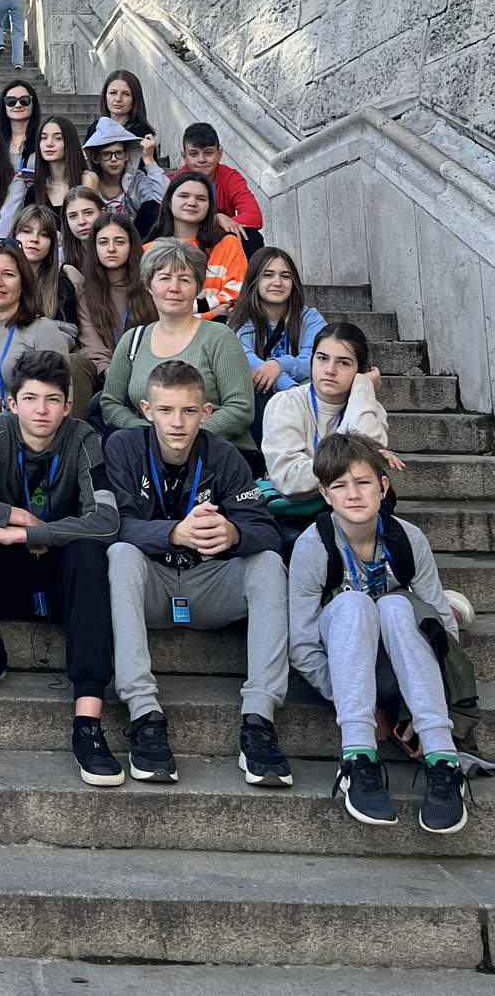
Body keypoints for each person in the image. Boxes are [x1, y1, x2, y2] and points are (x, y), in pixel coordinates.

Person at [0, 350, 123, 787]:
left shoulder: (84, 438)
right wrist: (9, 515)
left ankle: (87, 722)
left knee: (90, 552)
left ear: (67, 405)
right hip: (4, 577)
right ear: (12, 403)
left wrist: (29, 534)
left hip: (60, 576)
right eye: (30, 399)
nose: (41, 410)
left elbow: (107, 521)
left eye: (52, 400)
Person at [105, 359, 291, 788]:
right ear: (147, 410)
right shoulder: (122, 447)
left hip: (208, 583)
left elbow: (267, 531)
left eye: (189, 411)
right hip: (150, 585)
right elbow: (111, 526)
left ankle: (259, 719)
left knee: (267, 563)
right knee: (120, 554)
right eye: (166, 410)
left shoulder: (223, 454)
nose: (178, 422)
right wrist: (173, 532)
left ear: (206, 413)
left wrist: (233, 533)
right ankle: (144, 714)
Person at [288, 433, 469, 833]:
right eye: (340, 486)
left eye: (363, 482)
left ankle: (443, 757)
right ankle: (358, 756)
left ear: (383, 486)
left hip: (405, 672)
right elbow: (301, 646)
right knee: (353, 604)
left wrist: (412, 707)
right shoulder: (314, 546)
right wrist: (362, 705)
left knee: (395, 605)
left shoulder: (408, 538)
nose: (353, 494)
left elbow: (441, 623)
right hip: (347, 675)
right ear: (325, 494)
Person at [101, 240, 254, 443]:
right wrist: (150, 435)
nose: (174, 288)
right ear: (148, 285)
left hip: (215, 450)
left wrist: (181, 436)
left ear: (197, 287)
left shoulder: (219, 337)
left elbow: (241, 408)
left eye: (185, 279)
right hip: (149, 452)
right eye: (164, 278)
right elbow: (110, 403)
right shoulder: (133, 340)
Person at [0, 241, 90, 447]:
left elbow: (58, 401)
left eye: (8, 274)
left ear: (23, 282)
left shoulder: (43, 329)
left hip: (28, 432)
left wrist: (9, 420)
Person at [261, 323, 400, 514]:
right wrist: (350, 462)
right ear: (311, 360)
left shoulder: (368, 407)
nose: (330, 370)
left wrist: (362, 387)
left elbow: (366, 461)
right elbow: (289, 480)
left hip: (351, 506)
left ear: (360, 370)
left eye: (344, 362)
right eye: (322, 358)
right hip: (297, 512)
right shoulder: (286, 403)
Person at [230, 246, 327, 402]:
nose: (278, 282)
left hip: (309, 397)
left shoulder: (310, 318)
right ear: (254, 280)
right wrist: (290, 388)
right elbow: (246, 360)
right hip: (263, 401)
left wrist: (279, 365)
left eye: (286, 276)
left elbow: (316, 360)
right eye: (268, 275)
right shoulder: (241, 319)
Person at [150, 172, 248, 318]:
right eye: (184, 196)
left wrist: (184, 314)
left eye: (201, 198)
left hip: (219, 328)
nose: (192, 203)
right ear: (169, 202)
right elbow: (149, 306)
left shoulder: (228, 244)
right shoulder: (149, 250)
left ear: (210, 206)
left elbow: (234, 296)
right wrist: (212, 312)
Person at [71, 212, 154, 375]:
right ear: (94, 247)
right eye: (103, 242)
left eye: (119, 242)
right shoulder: (86, 295)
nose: (111, 249)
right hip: (105, 375)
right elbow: (93, 347)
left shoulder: (151, 289)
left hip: (148, 374)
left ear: (131, 245)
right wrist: (113, 375)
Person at [175, 123, 264, 256]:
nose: (202, 159)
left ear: (219, 154)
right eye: (194, 154)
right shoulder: (174, 181)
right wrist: (214, 219)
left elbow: (254, 217)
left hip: (218, 236)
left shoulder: (230, 177)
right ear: (184, 157)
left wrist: (219, 221)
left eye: (208, 153)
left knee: (251, 236)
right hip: (184, 237)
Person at [82, 119, 166, 237]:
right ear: (96, 158)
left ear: (127, 155)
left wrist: (149, 160)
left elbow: (163, 200)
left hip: (135, 239)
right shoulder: (89, 181)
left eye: (119, 153)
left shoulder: (136, 179)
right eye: (106, 154)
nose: (113, 159)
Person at [14, 204, 80, 337]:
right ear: (14, 236)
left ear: (52, 243)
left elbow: (70, 333)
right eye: (27, 231)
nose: (34, 239)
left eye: (44, 234)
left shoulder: (62, 285)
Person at [88, 69, 161, 164]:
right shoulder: (95, 128)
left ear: (135, 99)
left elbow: (150, 169)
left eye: (126, 94)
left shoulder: (142, 134)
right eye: (113, 93)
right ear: (105, 97)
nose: (118, 99)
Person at [28, 115, 93, 214]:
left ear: (70, 142)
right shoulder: (35, 190)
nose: (49, 143)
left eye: (58, 138)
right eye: (43, 138)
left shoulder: (86, 179)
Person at [0, 78, 42, 177]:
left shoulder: (44, 138)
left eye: (24, 100)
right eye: (11, 101)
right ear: (4, 106)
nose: (18, 105)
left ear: (33, 104)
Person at [61, 186, 103, 265]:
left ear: (102, 212)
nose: (81, 222)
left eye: (88, 213)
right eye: (73, 216)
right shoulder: (60, 256)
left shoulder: (120, 249)